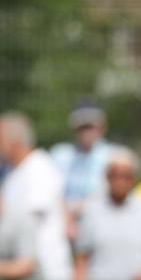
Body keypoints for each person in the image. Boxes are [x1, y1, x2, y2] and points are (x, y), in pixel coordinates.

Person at [0, 112, 72, 280]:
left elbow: (30, 220)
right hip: (27, 278)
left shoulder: (39, 169)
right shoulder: (12, 173)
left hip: (47, 278)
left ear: (14, 142)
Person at [73, 148, 141, 280]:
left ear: (133, 178)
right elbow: (83, 254)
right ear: (107, 177)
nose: (120, 181)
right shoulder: (92, 209)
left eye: (126, 176)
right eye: (115, 175)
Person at [50, 99, 113, 239]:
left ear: (102, 127)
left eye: (90, 126)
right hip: (62, 228)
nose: (86, 132)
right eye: (81, 127)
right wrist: (67, 218)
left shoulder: (112, 156)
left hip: (100, 228)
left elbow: (107, 196)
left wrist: (76, 211)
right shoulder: (59, 154)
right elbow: (52, 191)